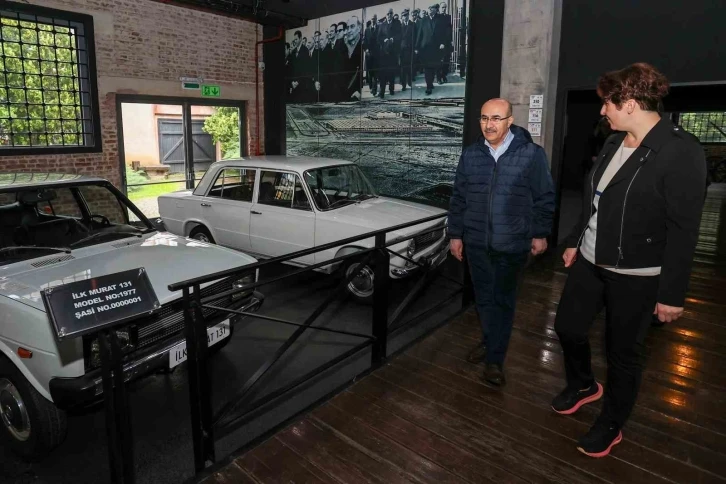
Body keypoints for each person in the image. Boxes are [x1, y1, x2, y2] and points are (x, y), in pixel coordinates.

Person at [551, 63, 707, 458]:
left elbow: (684, 230)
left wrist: (671, 293)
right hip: (590, 260)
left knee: (622, 354)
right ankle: (584, 384)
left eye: (608, 103)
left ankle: (611, 421)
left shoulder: (680, 151)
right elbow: (595, 202)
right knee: (568, 327)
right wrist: (574, 240)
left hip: (637, 274)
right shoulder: (612, 143)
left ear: (631, 104)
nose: (603, 110)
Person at [448, 98, 555, 385]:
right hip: (476, 242)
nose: (489, 124)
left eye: (496, 118)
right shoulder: (471, 155)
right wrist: (455, 235)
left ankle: (495, 360)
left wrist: (540, 233)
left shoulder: (531, 154)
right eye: (484, 118)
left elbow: (544, 197)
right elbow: (458, 198)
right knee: (484, 299)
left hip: (512, 244)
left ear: (510, 121)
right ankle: (489, 340)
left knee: (503, 301)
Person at [415, 4, 448, 95]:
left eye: (432, 8)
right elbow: (419, 34)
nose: (430, 10)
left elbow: (444, 33)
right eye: (429, 8)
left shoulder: (440, 19)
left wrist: (443, 43)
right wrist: (417, 47)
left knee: (433, 67)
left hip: (436, 48)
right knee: (427, 68)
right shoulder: (423, 20)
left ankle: (430, 83)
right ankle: (428, 86)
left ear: (435, 10)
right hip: (425, 48)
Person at [377, 8, 401, 98]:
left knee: (391, 72)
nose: (389, 15)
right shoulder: (382, 25)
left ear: (393, 14)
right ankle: (382, 91)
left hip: (393, 52)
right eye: (387, 14)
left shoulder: (397, 23)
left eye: (391, 13)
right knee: (383, 73)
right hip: (384, 52)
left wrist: (393, 39)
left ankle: (391, 89)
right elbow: (378, 37)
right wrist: (384, 40)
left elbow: (400, 35)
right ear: (386, 15)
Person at [399, 9, 414, 91]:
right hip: (402, 50)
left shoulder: (412, 24)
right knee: (403, 68)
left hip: (410, 49)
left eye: (406, 15)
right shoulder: (400, 26)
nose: (405, 17)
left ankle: (410, 82)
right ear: (402, 17)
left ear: (408, 16)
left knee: (410, 67)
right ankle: (403, 84)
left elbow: (415, 36)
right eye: (404, 16)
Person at [438, 2, 453, 84]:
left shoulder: (448, 17)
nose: (444, 9)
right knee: (439, 61)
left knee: (446, 60)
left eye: (445, 7)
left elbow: (450, 29)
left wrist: (451, 40)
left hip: (447, 42)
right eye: (442, 7)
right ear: (440, 8)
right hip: (439, 43)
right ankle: (439, 78)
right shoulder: (437, 17)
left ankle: (444, 75)